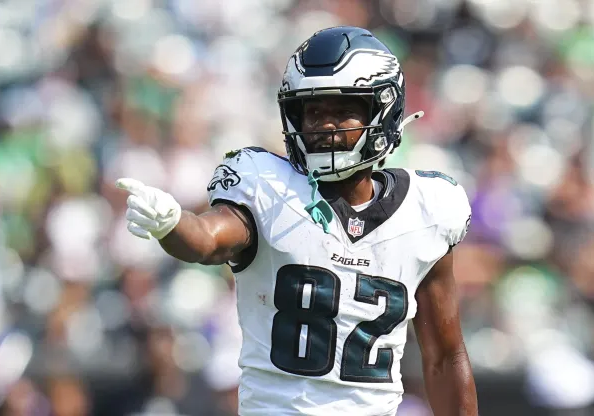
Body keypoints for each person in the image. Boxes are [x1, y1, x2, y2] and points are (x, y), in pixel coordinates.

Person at [116, 26, 478, 416]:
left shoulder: (427, 211)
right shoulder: (268, 187)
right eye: (314, 111)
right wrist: (172, 223)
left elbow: (444, 355)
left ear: (383, 111)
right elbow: (207, 239)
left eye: (343, 111)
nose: (325, 125)